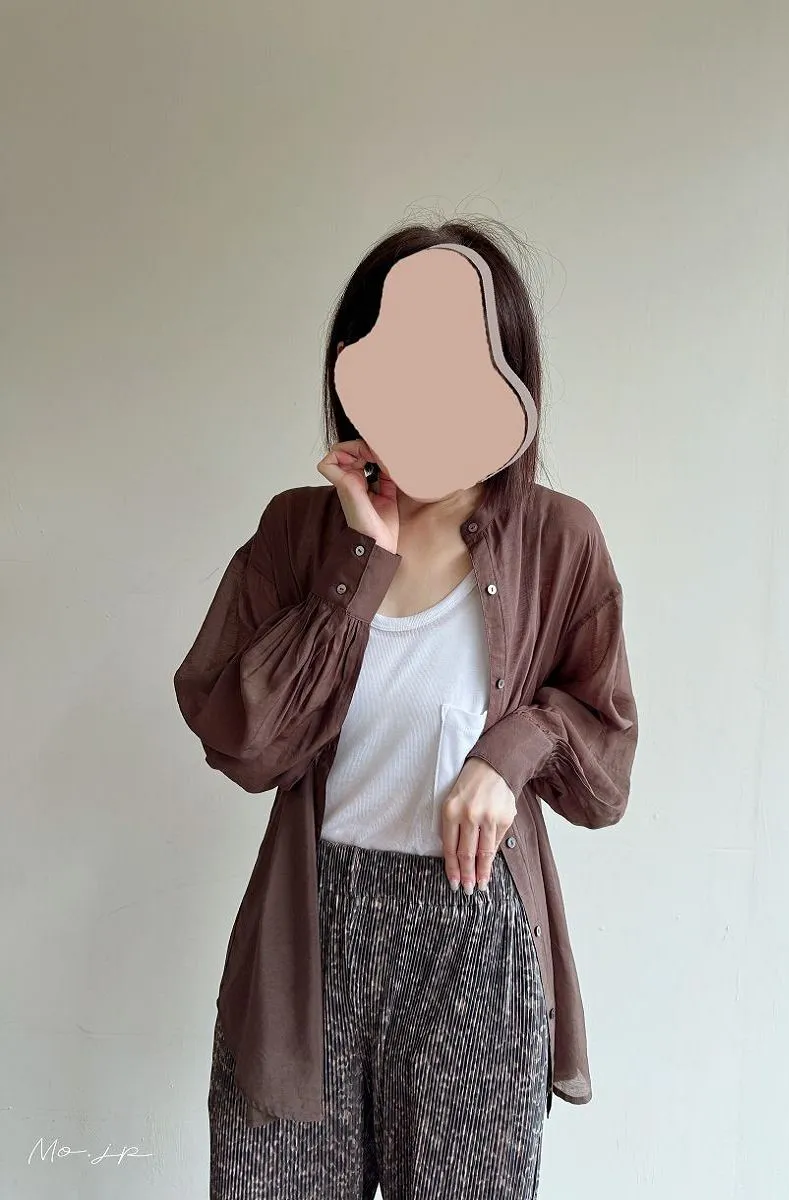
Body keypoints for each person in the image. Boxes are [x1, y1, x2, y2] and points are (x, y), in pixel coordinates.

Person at [173, 217, 639, 1200]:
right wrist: (360, 565)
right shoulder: (298, 532)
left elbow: (604, 774)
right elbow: (244, 742)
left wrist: (513, 748)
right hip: (307, 940)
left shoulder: (559, 542)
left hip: (475, 944)